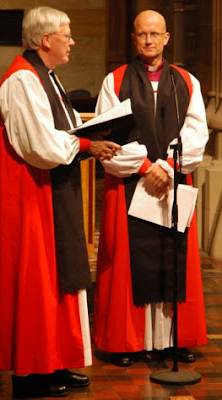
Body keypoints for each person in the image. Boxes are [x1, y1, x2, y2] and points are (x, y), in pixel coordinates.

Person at [0, 6, 121, 398]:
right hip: (29, 197)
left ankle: (54, 361)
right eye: (67, 34)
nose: (72, 41)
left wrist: (89, 126)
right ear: (46, 40)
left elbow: (53, 126)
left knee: (58, 279)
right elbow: (40, 145)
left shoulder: (46, 78)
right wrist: (86, 144)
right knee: (35, 283)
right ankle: (31, 373)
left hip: (48, 191)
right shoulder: (23, 80)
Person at [92, 10, 208, 367]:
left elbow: (196, 134)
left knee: (174, 261)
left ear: (167, 38)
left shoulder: (187, 82)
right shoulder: (115, 81)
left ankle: (172, 341)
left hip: (172, 185)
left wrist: (167, 168)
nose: (148, 40)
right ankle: (128, 341)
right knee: (127, 264)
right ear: (133, 38)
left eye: (155, 34)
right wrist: (145, 167)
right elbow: (107, 136)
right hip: (130, 185)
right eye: (142, 34)